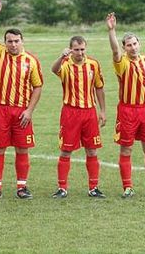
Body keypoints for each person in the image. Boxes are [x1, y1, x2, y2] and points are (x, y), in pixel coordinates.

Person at [0, 0, 43, 200]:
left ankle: (21, 187)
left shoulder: (31, 61)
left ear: (22, 41)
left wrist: (30, 110)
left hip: (21, 111)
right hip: (0, 108)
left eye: (16, 41)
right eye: (9, 41)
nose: (13, 45)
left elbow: (37, 87)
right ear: (5, 42)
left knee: (22, 148)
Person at [106, 12, 145, 198]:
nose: (132, 47)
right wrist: (112, 31)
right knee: (126, 148)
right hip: (127, 111)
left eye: (134, 43)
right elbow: (114, 51)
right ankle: (127, 187)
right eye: (128, 45)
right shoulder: (121, 62)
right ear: (124, 47)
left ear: (140, 44)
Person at [50, 36, 107, 199]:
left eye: (82, 49)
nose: (80, 53)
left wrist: (102, 111)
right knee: (66, 151)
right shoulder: (65, 64)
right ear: (70, 49)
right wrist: (61, 56)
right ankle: (62, 188)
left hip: (89, 112)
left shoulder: (93, 64)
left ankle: (93, 187)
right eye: (76, 49)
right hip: (70, 112)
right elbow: (53, 70)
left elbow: (99, 88)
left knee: (92, 150)